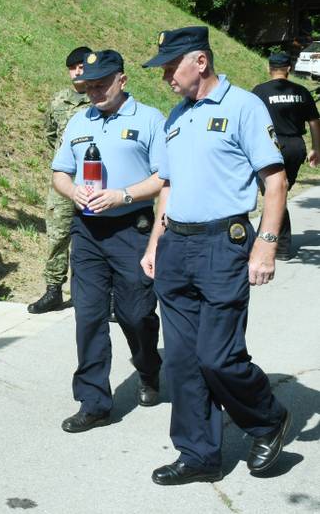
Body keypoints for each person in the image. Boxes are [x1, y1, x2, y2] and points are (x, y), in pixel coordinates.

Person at [141, 26, 291, 485]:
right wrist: (154, 243)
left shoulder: (243, 106)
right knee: (184, 360)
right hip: (177, 247)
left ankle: (266, 419)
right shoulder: (175, 116)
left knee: (218, 358)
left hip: (222, 245)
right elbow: (168, 185)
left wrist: (265, 245)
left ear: (200, 62)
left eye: (171, 66)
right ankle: (198, 454)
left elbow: (276, 181)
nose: (166, 76)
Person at [51, 50, 164, 433]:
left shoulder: (149, 119)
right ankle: (94, 401)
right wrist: (73, 192)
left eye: (102, 84)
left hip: (132, 228)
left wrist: (124, 196)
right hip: (87, 232)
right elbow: (60, 173)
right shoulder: (79, 120)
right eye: (90, 85)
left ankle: (149, 367)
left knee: (136, 314)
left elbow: (164, 180)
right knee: (89, 316)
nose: (95, 91)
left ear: (122, 80)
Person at [28, 46, 91, 314]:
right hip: (64, 180)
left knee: (94, 236)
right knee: (57, 236)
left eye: (82, 67)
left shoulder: (100, 99)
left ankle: (96, 293)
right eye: (72, 67)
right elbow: (52, 136)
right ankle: (54, 290)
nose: (77, 72)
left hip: (94, 180)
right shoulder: (59, 101)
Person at [251, 52, 320, 260]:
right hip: (295, 146)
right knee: (278, 192)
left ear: (268, 68)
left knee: (274, 193)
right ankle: (272, 242)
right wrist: (316, 148)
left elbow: (249, 121)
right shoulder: (302, 91)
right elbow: (315, 122)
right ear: (289, 68)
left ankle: (277, 245)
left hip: (270, 146)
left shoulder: (259, 92)